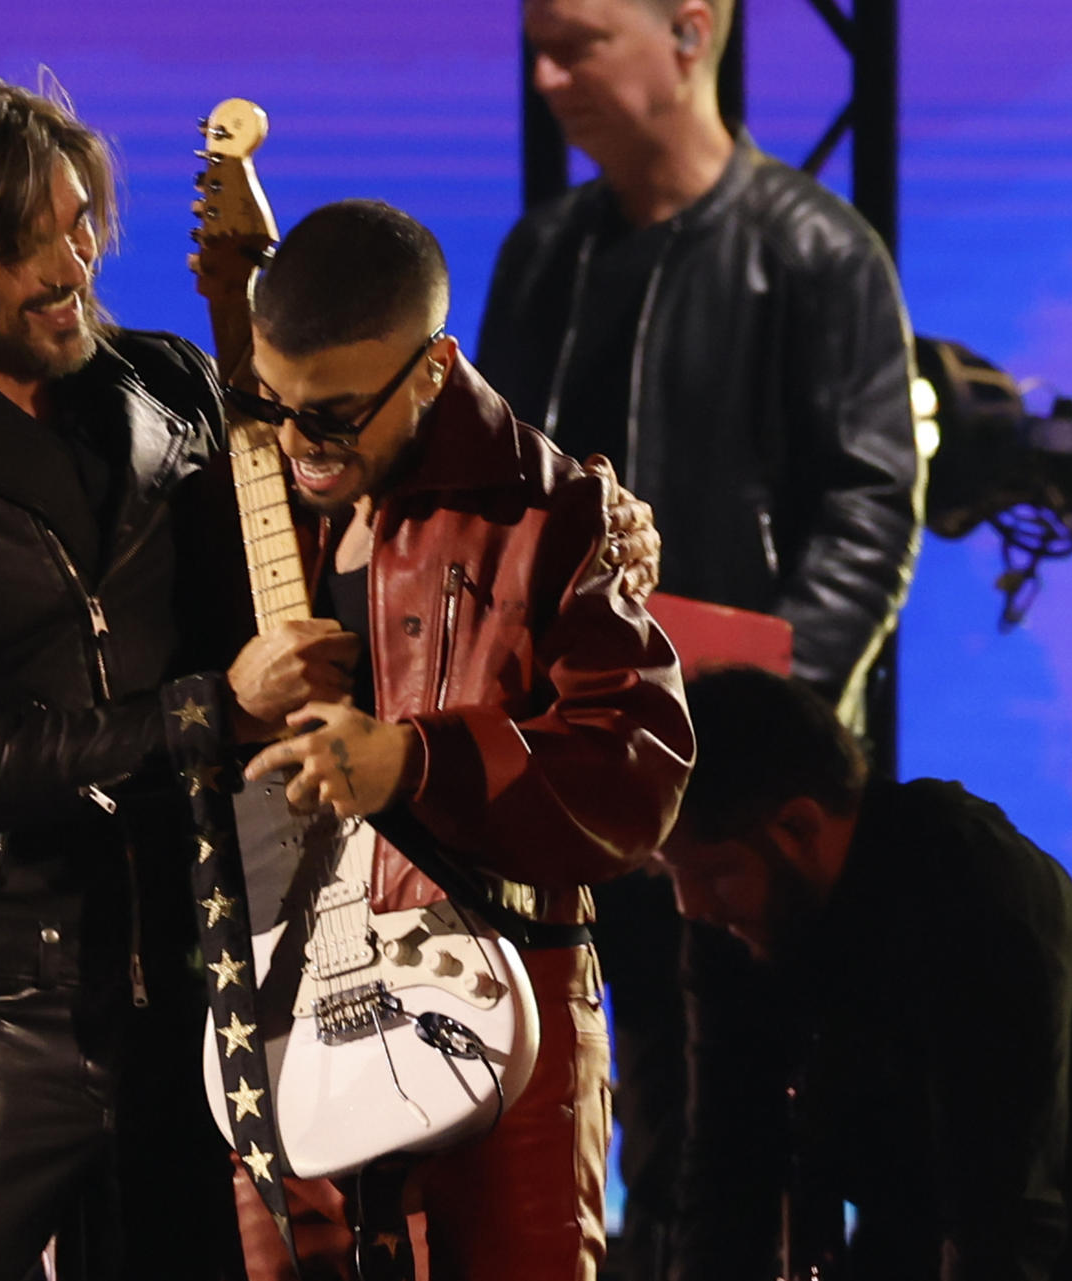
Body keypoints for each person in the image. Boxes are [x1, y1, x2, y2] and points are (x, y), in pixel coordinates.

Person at [0, 76, 661, 1281]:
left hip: (195, 979)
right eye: (21, 242)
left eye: (79, 219)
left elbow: (353, 461)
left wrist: (583, 505)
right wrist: (216, 708)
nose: (69, 263)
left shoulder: (164, 393)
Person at [476, 3, 926, 1266]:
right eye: (538, 43)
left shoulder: (814, 252)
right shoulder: (543, 254)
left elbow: (871, 508)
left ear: (691, 29)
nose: (547, 73)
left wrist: (745, 739)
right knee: (548, 1102)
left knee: (723, 1121)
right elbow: (498, 488)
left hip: (719, 790)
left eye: (578, 41)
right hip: (563, 762)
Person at [223, 199, 695, 1279]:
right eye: (276, 405)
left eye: (334, 416)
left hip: (500, 1002)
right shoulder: (259, 494)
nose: (301, 443)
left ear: (434, 369)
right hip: (294, 1002)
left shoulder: (548, 508)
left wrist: (414, 760)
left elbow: (639, 771)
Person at [656, 666, 1072, 1280]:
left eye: (711, 873)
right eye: (673, 873)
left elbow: (1004, 1217)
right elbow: (727, 1168)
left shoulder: (975, 893)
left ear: (798, 827)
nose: (690, 905)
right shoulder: (741, 919)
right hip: (934, 1220)